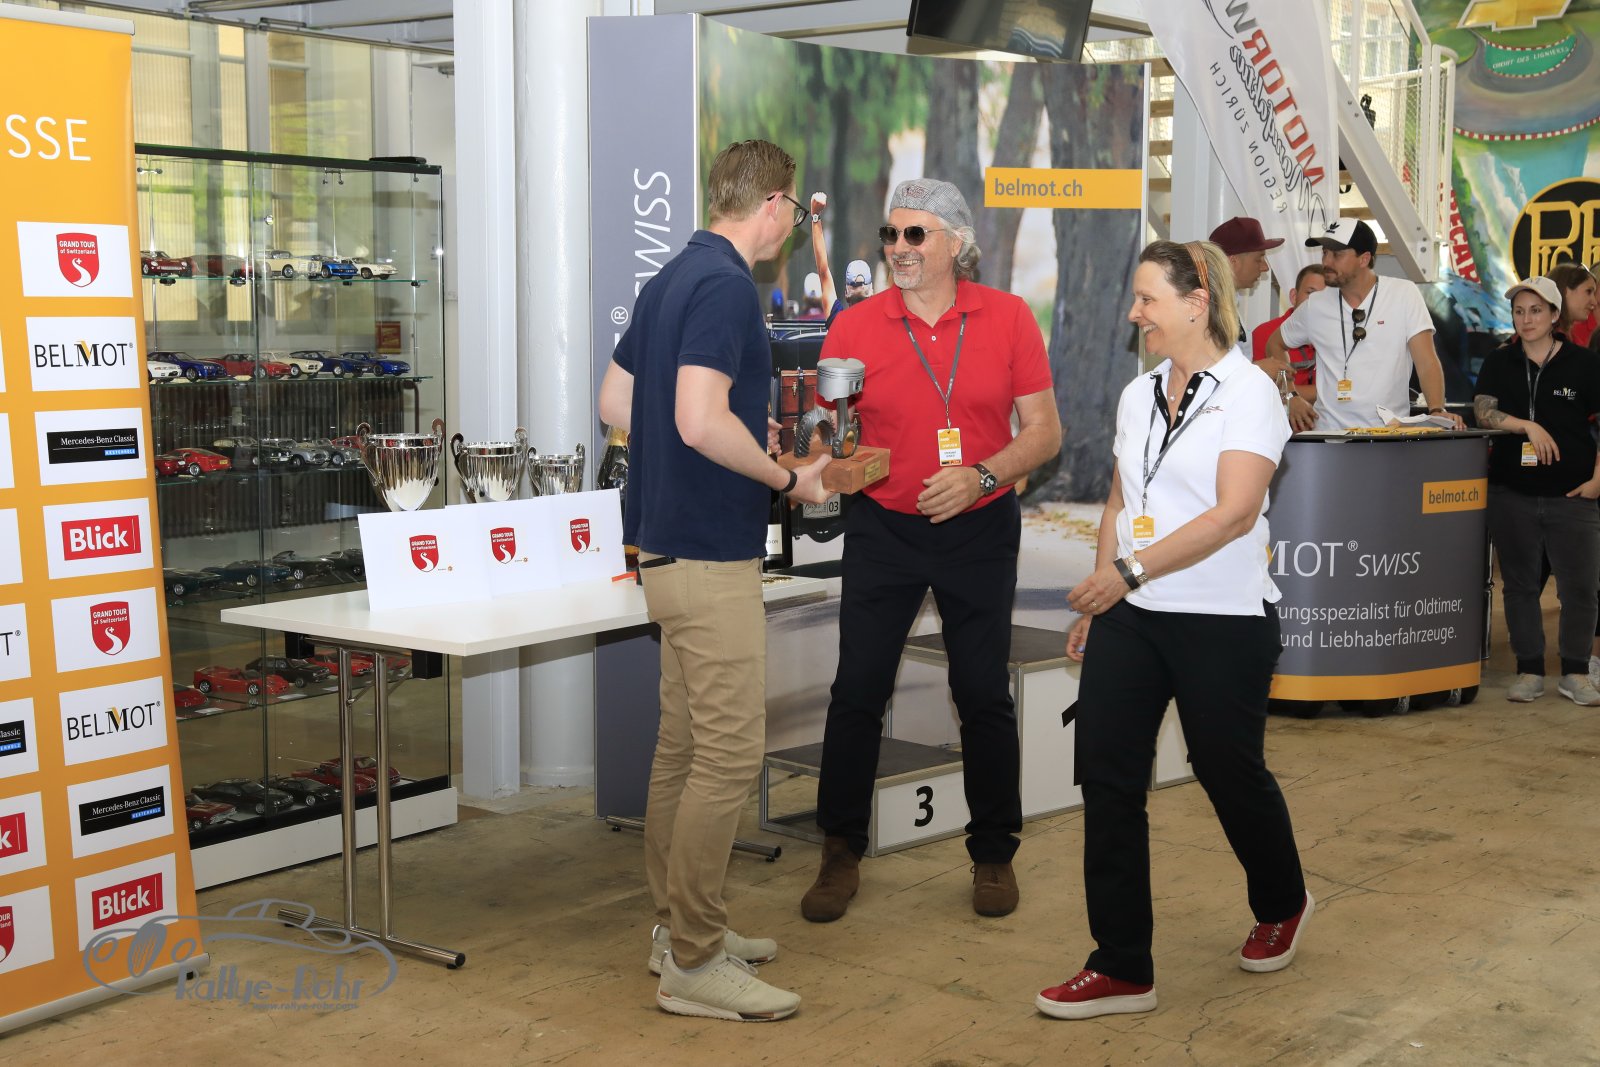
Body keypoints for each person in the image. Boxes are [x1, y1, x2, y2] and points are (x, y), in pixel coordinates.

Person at [1036, 239, 1310, 1021]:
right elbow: (1120, 503)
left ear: (1197, 303)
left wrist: (1125, 573)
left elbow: (1234, 513)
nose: (1134, 313)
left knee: (1227, 769)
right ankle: (1122, 964)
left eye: (1147, 298)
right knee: (1107, 777)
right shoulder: (1137, 395)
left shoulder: (1249, 393)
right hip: (1133, 616)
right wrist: (1103, 595)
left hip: (1222, 617)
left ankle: (1283, 899)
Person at [597, 138, 832, 1022]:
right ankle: (694, 959)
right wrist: (783, 476)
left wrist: (717, 429)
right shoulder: (729, 286)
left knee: (686, 749)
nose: (790, 225)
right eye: (792, 209)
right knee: (728, 755)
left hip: (664, 551)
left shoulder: (669, 278)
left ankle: (677, 930)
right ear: (773, 204)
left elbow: (618, 403)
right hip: (708, 554)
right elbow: (697, 421)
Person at [799, 177, 1062, 923]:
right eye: (891, 234)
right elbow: (827, 430)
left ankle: (994, 852)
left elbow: (1044, 432)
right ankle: (840, 850)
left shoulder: (1008, 316)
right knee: (858, 690)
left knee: (982, 693)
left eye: (915, 234)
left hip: (980, 528)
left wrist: (981, 477)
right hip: (884, 528)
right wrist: (825, 452)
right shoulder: (855, 326)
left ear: (956, 242)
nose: (899, 248)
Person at [1473, 276, 1600, 706]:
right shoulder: (1500, 361)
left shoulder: (1584, 364)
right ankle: (1529, 670)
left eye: (1535, 311)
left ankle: (1575, 672)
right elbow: (1483, 412)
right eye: (1519, 311)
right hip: (1512, 493)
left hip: (1573, 495)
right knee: (1520, 586)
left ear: (1554, 315)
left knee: (1580, 588)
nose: (1526, 319)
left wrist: (1598, 479)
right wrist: (1526, 425)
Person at [1266, 218, 1465, 432]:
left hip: (1388, 436)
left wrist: (1436, 410)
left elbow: (1426, 361)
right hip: (1329, 436)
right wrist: (1290, 395)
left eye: (1337, 254)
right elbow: (1274, 344)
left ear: (1364, 259)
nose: (1326, 262)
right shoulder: (1315, 305)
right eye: (1325, 252)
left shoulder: (1403, 294)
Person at [1252, 263, 1326, 412]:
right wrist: (1327, 392)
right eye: (1310, 293)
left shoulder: (1338, 334)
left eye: (1324, 297)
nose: (1316, 302)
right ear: (1294, 296)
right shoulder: (1265, 332)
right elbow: (1268, 391)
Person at [1549, 261, 1597, 349]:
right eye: (1588, 291)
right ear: (1565, 291)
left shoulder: (1571, 340)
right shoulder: (1542, 339)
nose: (1594, 302)